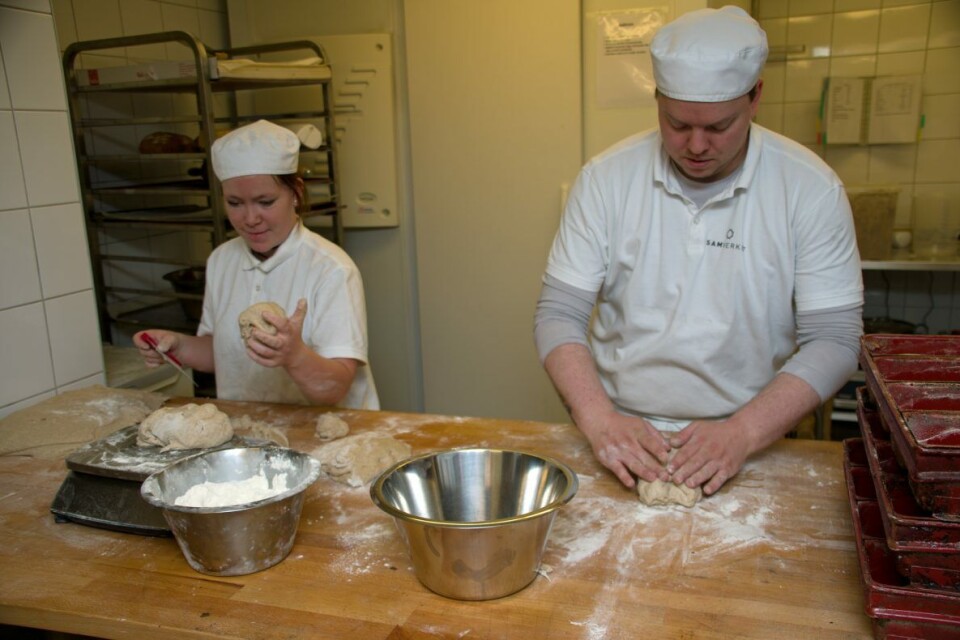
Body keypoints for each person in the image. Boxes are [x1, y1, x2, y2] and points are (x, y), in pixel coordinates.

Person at [534, 6, 862, 496]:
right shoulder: (606, 180)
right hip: (622, 433)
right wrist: (600, 419)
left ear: (755, 98)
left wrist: (743, 433)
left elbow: (835, 339)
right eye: (677, 123)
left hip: (752, 439)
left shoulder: (809, 189)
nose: (696, 145)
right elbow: (559, 313)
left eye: (718, 126)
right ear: (659, 99)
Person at [134, 119, 379, 410]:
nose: (250, 218)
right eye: (235, 203)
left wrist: (294, 356)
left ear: (296, 193)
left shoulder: (331, 269)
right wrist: (178, 345)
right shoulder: (222, 260)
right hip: (252, 433)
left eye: (265, 201)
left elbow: (335, 388)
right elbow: (223, 353)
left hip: (332, 437)